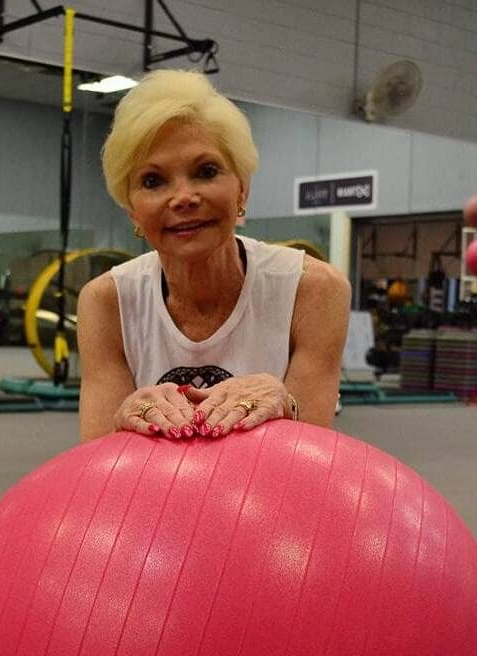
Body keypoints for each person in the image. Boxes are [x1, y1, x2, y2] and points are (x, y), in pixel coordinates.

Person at [77, 70, 351, 443]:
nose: (183, 197)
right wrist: (121, 419)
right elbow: (97, 462)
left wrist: (286, 403)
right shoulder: (106, 302)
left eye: (206, 171)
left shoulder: (315, 291)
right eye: (153, 181)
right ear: (132, 210)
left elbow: (309, 459)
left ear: (242, 190)